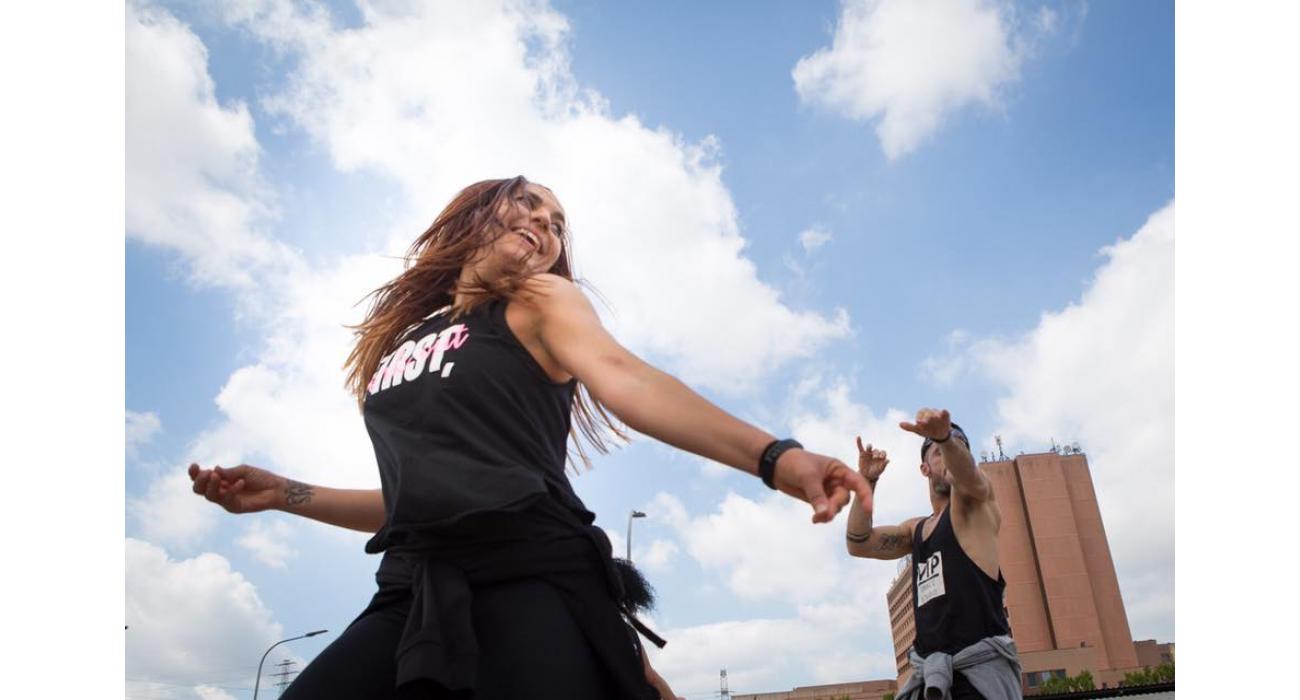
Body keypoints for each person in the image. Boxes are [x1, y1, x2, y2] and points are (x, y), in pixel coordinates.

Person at [188, 176, 871, 699]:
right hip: (416, 585)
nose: (544, 226)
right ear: (475, 215)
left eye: (556, 225)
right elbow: (411, 498)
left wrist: (774, 456)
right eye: (529, 208)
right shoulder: (402, 341)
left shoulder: (540, 302)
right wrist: (287, 494)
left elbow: (625, 378)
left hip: (530, 569)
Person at [844, 408, 1021, 700]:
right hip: (930, 673)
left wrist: (946, 439)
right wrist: (866, 482)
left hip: (978, 674)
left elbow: (970, 478)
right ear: (924, 468)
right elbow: (858, 543)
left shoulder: (978, 505)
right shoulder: (916, 530)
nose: (951, 455)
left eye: (960, 448)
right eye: (939, 453)